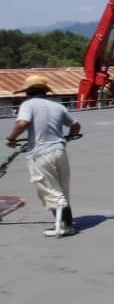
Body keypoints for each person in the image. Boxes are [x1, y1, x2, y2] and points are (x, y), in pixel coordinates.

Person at [5, 75, 81, 237]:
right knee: (62, 189)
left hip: (40, 154)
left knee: (49, 190)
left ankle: (62, 227)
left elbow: (22, 123)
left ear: (28, 92)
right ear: (45, 91)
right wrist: (68, 138)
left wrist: (11, 138)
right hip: (60, 152)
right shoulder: (58, 106)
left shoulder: (28, 104)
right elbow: (76, 125)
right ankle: (67, 224)